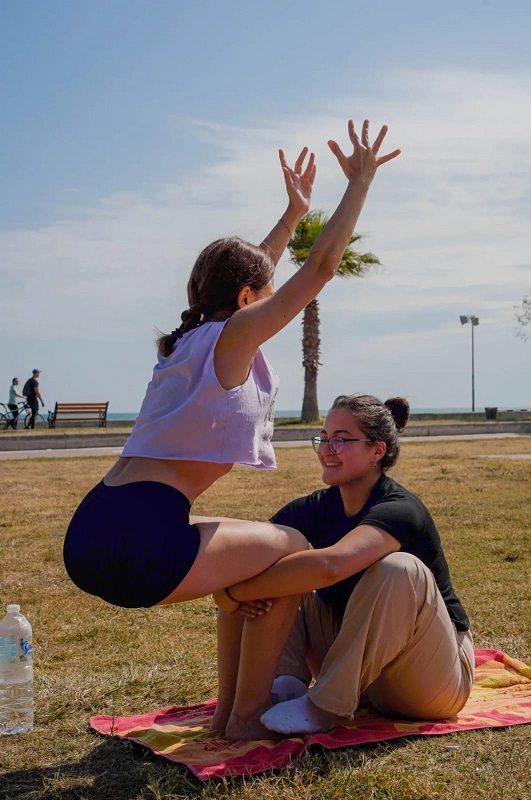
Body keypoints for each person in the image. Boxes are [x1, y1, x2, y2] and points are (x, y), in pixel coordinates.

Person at [63, 120, 400, 741]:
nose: (275, 302)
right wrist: (359, 183)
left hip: (93, 528)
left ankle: (227, 714)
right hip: (138, 539)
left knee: (260, 560)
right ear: (248, 299)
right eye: (265, 293)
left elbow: (256, 272)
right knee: (294, 547)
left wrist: (294, 211)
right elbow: (321, 267)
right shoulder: (233, 338)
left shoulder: (189, 342)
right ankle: (245, 720)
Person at [213, 394, 474, 736]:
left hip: (429, 680)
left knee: (400, 570)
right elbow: (254, 554)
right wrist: (227, 587)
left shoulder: (400, 508)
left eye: (340, 440)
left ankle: (322, 708)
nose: (325, 449)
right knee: (280, 560)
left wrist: (232, 591)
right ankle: (283, 687)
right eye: (323, 438)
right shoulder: (316, 507)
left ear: (376, 451)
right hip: (361, 680)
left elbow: (332, 566)